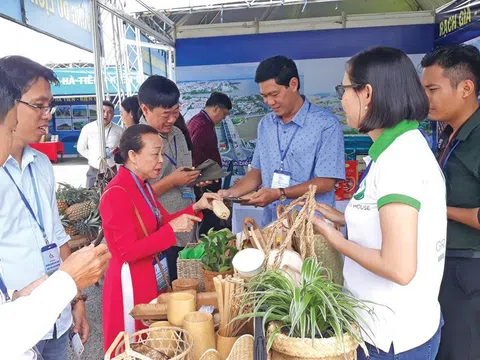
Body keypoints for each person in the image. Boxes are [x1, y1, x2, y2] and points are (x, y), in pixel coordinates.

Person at [312, 47, 446, 359]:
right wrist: (345, 218)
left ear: (367, 93)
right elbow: (394, 221)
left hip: (392, 338)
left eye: (343, 89)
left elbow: (398, 267)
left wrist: (334, 238)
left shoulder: (400, 161)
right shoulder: (396, 148)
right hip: (392, 326)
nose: (341, 99)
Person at [0, 62, 111, 360]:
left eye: (50, 105)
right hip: (16, 327)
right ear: (8, 104)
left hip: (57, 318)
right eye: (39, 105)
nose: (47, 115)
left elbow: (56, 235)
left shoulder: (42, 165)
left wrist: (75, 298)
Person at [99, 124, 221, 351]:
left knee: (153, 340)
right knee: (134, 343)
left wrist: (196, 206)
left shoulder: (142, 185)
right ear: (133, 156)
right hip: (130, 281)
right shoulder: (116, 193)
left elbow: (162, 221)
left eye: (162, 153)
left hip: (150, 272)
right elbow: (126, 252)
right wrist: (170, 230)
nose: (161, 160)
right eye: (155, 154)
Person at [219, 55, 345, 226]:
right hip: (273, 224)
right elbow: (256, 172)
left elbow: (325, 182)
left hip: (311, 226)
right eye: (264, 96)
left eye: (274, 94)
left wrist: (280, 193)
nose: (269, 102)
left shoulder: (326, 124)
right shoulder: (266, 124)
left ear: (293, 84)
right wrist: (231, 193)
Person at [421, 44, 480, 360]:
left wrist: (435, 209)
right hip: (442, 265)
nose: (425, 98)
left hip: (469, 271)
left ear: (466, 88)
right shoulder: (447, 134)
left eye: (433, 89)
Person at [138, 75, 201, 280]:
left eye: (176, 112)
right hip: (161, 234)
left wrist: (195, 177)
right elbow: (135, 197)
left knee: (187, 285)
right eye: (166, 115)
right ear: (145, 109)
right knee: (166, 290)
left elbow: (181, 170)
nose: (172, 119)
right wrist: (173, 181)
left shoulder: (177, 134)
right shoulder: (134, 143)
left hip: (187, 227)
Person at [188, 92, 233, 234]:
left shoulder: (199, 120)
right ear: (216, 109)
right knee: (209, 223)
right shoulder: (202, 125)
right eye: (223, 115)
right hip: (204, 182)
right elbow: (195, 154)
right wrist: (202, 176)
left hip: (205, 178)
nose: (223, 119)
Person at [77, 100, 123, 188]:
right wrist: (93, 157)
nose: (106, 115)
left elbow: (122, 148)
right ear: (98, 112)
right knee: (91, 196)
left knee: (112, 196)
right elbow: (81, 147)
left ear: (113, 115)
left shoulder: (119, 130)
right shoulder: (88, 128)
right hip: (94, 169)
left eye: (109, 112)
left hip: (111, 169)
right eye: (103, 111)